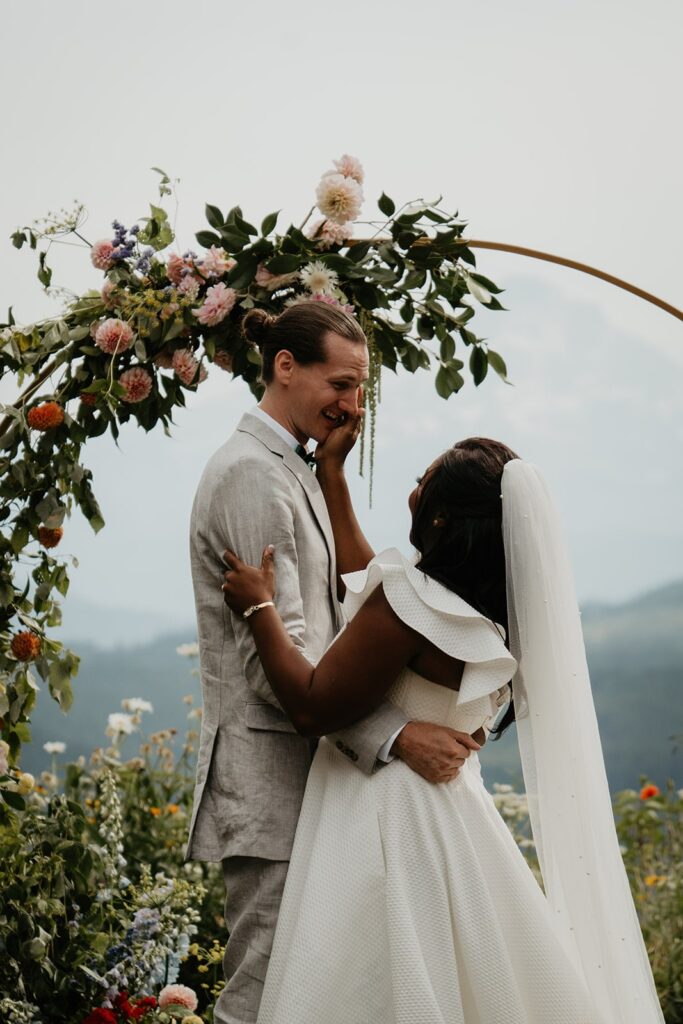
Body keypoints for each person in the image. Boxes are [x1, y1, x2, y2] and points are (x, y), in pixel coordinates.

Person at [222, 433, 665, 1024]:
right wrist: (334, 476)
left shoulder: (409, 605)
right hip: (452, 820)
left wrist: (261, 609)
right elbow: (367, 594)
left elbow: (310, 707)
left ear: (440, 514)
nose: (410, 491)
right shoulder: (489, 618)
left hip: (380, 818)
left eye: (420, 480)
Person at [184, 302, 482, 1024]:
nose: (353, 405)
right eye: (341, 384)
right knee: (261, 992)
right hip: (272, 776)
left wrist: (333, 478)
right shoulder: (250, 476)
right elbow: (272, 658)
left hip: (317, 775)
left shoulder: (298, 467)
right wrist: (397, 734)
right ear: (285, 367)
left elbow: (349, 607)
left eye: (360, 389)